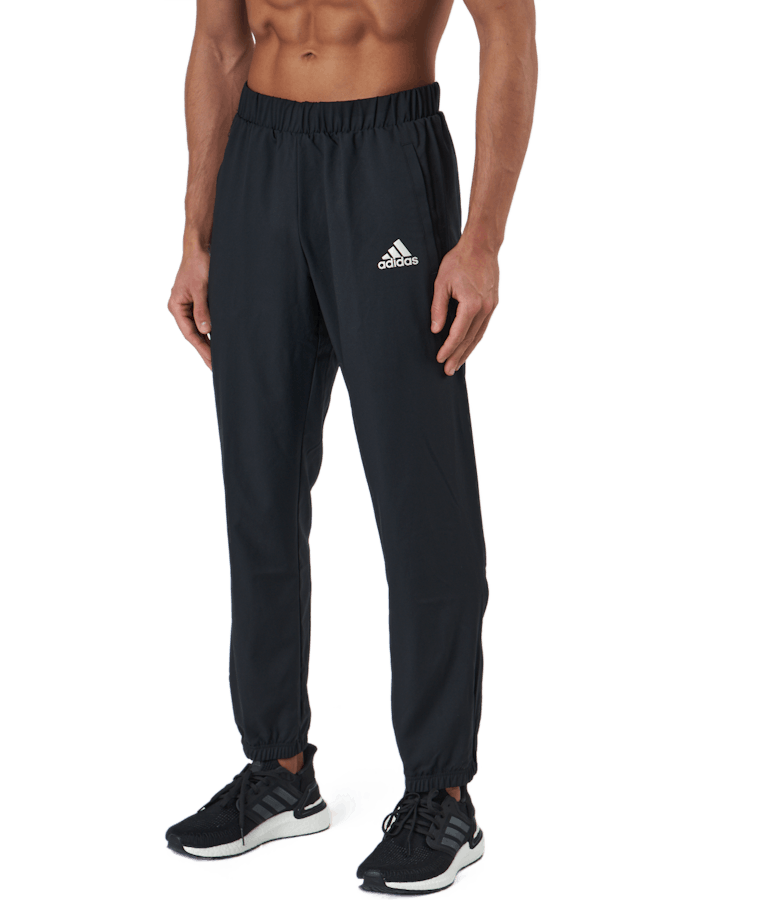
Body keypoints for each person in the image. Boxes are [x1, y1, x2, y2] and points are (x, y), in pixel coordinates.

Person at [163, 0, 538, 892]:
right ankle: (278, 771)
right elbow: (219, 40)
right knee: (258, 482)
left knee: (420, 492)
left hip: (385, 158)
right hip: (260, 158)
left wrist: (483, 241)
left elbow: (509, 30)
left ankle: (442, 796)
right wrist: (197, 233)